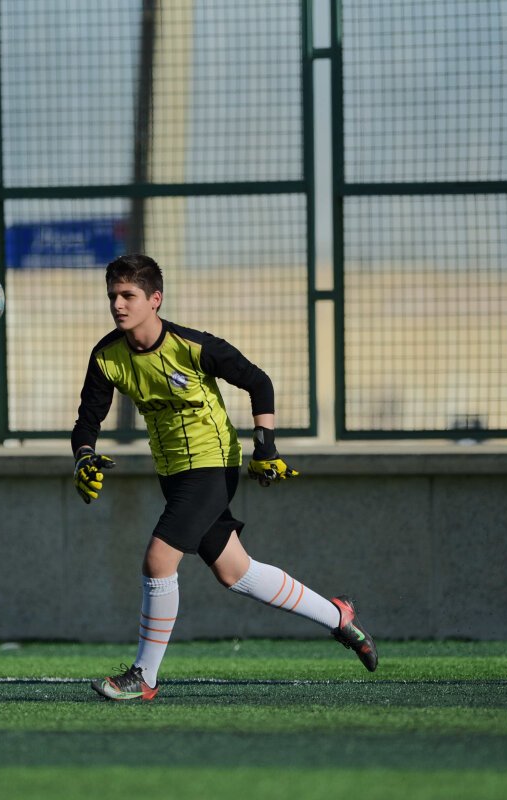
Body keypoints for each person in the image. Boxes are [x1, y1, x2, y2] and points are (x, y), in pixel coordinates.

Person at [71, 253, 378, 701]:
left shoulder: (192, 346)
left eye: (128, 295)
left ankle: (144, 676)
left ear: (155, 299)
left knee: (158, 560)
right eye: (113, 296)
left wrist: (266, 447)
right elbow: (87, 419)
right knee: (236, 572)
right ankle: (338, 617)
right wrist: (83, 457)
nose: (118, 304)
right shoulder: (107, 356)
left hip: (213, 464)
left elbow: (259, 382)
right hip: (172, 472)